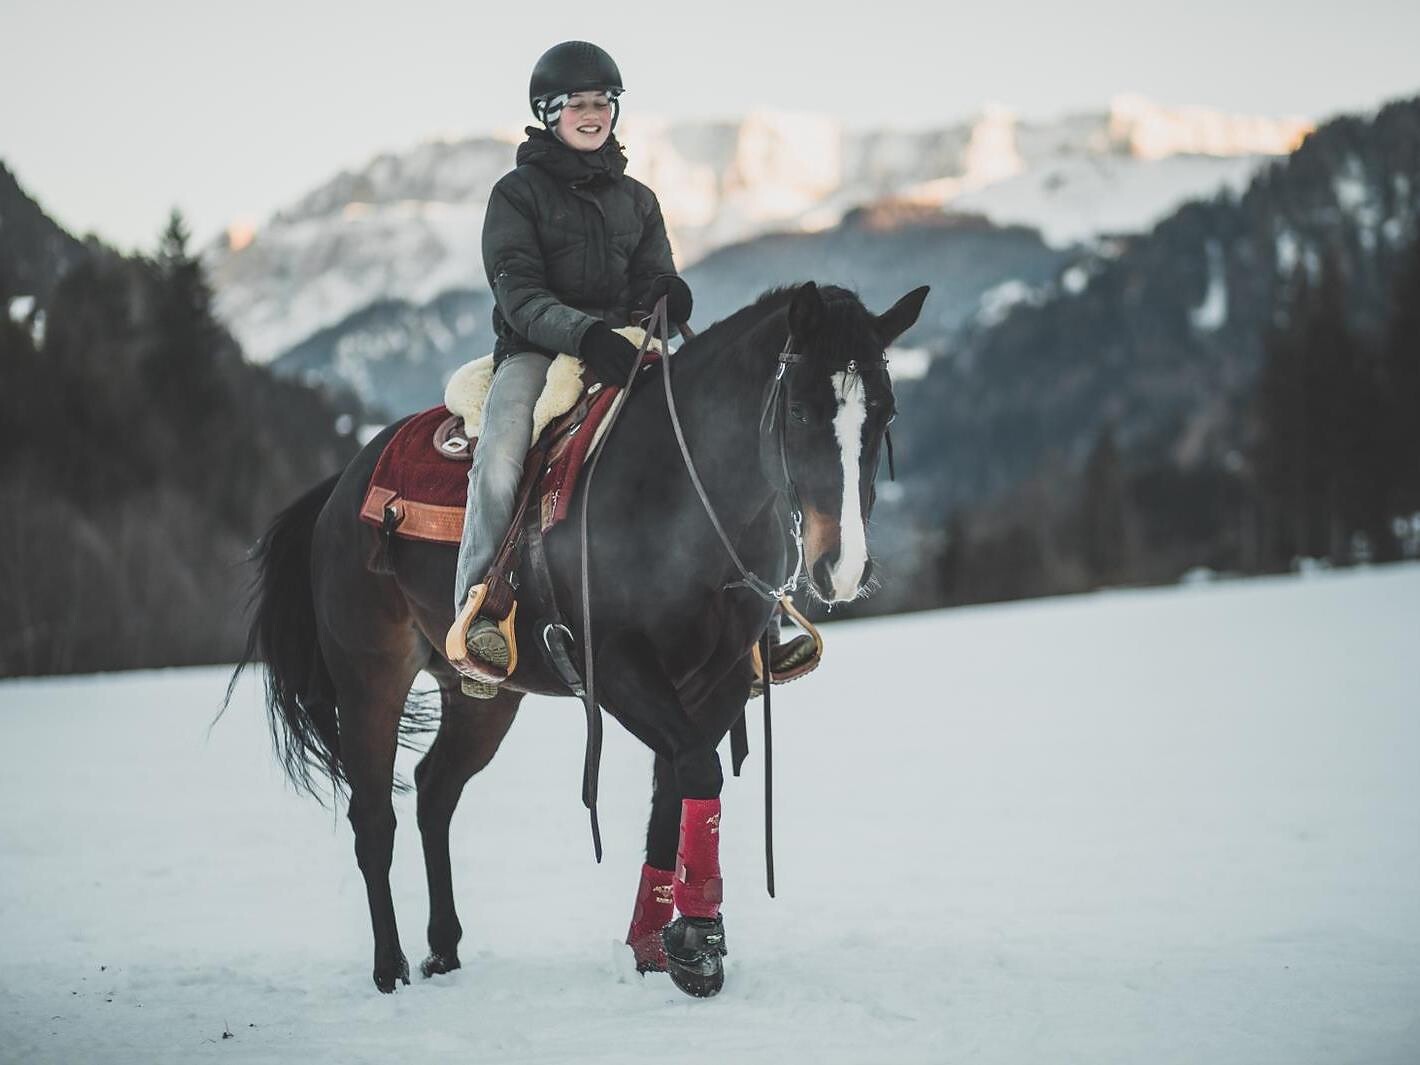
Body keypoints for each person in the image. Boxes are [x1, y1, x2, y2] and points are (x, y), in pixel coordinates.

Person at [451, 40, 814, 697]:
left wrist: (667, 299)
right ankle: (483, 606)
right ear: (548, 113)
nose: (592, 115)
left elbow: (654, 276)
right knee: (502, 450)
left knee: (723, 438)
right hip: (538, 348)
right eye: (577, 105)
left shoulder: (639, 200)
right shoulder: (515, 195)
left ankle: (762, 608)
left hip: (627, 344)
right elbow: (521, 296)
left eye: (602, 103)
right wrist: (584, 334)